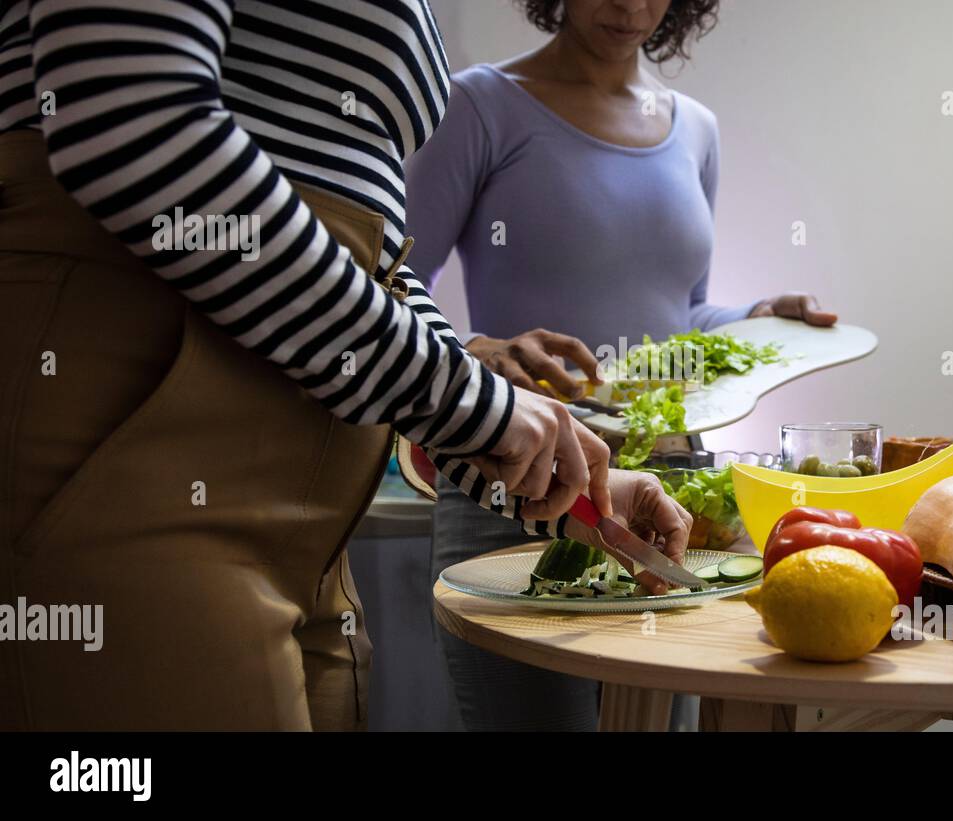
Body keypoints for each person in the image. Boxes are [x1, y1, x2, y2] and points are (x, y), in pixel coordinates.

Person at [0, 0, 688, 731]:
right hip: (132, 450)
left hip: (310, 530)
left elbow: (376, 258)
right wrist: (472, 402)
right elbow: (129, 109)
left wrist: (540, 464)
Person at [403, 0, 836, 730]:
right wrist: (478, 349)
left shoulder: (695, 128)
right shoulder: (477, 105)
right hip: (523, 477)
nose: (630, 5)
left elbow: (678, 317)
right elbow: (386, 284)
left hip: (666, 494)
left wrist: (753, 320)